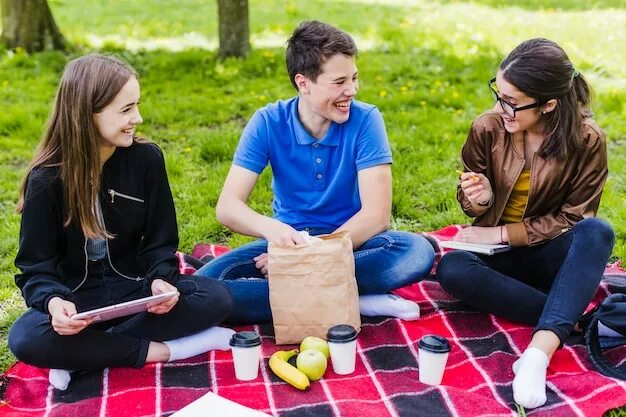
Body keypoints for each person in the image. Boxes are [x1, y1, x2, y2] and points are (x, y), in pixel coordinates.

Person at [8, 54, 234, 391]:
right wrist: (55, 303)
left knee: (216, 297)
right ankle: (167, 351)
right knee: (25, 337)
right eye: (126, 110)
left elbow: (160, 243)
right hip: (77, 301)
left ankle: (80, 355)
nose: (138, 118)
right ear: (88, 114)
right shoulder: (46, 181)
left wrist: (160, 280)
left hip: (136, 293)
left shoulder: (146, 160)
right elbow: (36, 266)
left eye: (136, 106)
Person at [195, 21, 435, 324]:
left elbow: (377, 216)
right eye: (339, 82)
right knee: (201, 289)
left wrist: (311, 258)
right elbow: (228, 208)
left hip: (353, 243)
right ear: (303, 83)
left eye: (354, 78)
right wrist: (278, 235)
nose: (352, 90)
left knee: (415, 252)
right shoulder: (268, 122)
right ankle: (351, 298)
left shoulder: (366, 120)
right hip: (287, 243)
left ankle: (304, 295)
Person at [435, 38, 614, 409]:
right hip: (499, 262)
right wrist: (479, 198)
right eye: (498, 94)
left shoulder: (587, 140)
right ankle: (569, 318)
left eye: (512, 102)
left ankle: (536, 354)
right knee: (452, 268)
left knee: (597, 232)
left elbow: (574, 218)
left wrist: (502, 231)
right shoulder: (487, 128)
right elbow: (472, 205)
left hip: (551, 256)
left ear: (549, 104)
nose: (501, 108)